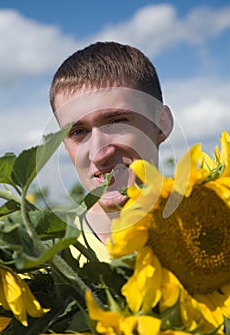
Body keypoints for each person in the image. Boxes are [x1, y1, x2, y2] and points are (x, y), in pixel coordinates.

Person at [49, 41, 173, 261]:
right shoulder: (52, 268)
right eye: (78, 132)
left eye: (116, 122)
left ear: (162, 123)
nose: (99, 153)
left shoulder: (217, 224)